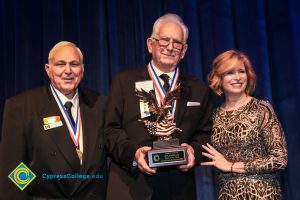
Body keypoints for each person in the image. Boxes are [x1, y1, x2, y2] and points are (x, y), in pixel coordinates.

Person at [105, 13, 213, 200]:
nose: (170, 47)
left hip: (179, 190)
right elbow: (110, 131)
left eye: (177, 43)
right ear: (150, 44)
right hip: (131, 186)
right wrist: (135, 154)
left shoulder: (198, 89)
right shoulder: (124, 82)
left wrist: (193, 152)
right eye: (164, 40)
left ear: (184, 50)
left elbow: (205, 134)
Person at [0, 41, 107, 199]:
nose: (68, 71)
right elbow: (15, 169)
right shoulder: (22, 107)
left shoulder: (100, 104)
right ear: (48, 70)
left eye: (74, 64)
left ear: (82, 70)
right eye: (60, 64)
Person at [201, 50, 288, 199]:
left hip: (263, 194)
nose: (237, 77)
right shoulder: (214, 116)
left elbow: (279, 159)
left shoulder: (261, 108)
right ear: (219, 79)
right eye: (230, 72)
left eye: (241, 71)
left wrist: (232, 166)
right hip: (228, 195)